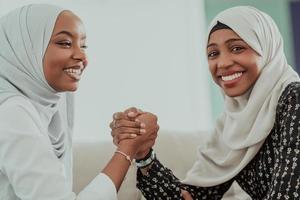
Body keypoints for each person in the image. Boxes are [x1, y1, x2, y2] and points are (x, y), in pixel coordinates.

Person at [110, 6, 300, 199]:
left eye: (237, 48)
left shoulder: (294, 100)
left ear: (267, 49)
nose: (223, 63)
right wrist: (143, 153)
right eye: (213, 53)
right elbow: (189, 197)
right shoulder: (232, 123)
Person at [0, 4, 158, 200]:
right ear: (25, 48)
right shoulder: (10, 112)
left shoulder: (53, 103)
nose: (82, 56)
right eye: (65, 43)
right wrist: (128, 148)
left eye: (83, 45)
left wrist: (135, 142)